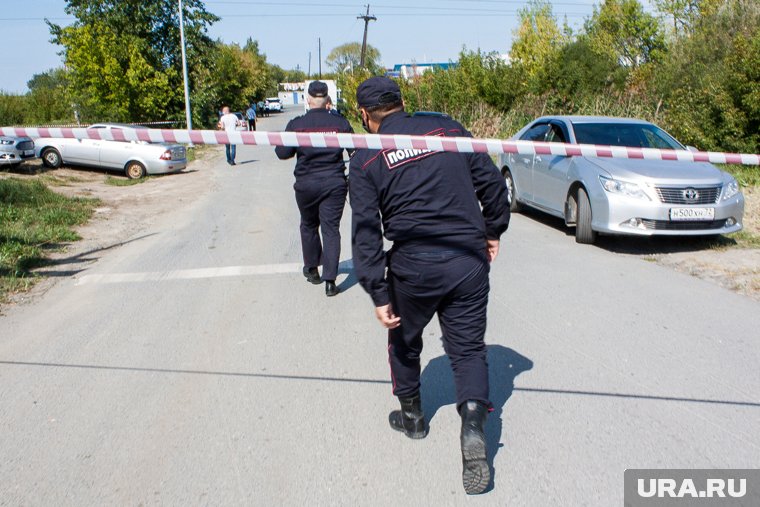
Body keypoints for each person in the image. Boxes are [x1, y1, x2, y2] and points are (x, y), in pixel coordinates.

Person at [348, 77, 510, 495]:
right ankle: (473, 421)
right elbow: (492, 186)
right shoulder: (449, 130)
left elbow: (366, 231)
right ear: (404, 102)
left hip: (414, 266)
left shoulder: (367, 154)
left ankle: (413, 417)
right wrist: (493, 230)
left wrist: (377, 291)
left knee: (403, 340)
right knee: (469, 349)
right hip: (467, 259)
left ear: (365, 116)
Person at [274, 81, 354, 297]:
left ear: (308, 100)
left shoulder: (297, 124)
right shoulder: (340, 123)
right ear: (328, 100)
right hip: (334, 183)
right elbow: (355, 151)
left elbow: (282, 153)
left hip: (306, 184)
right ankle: (330, 281)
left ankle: (311, 268)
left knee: (308, 224)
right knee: (331, 229)